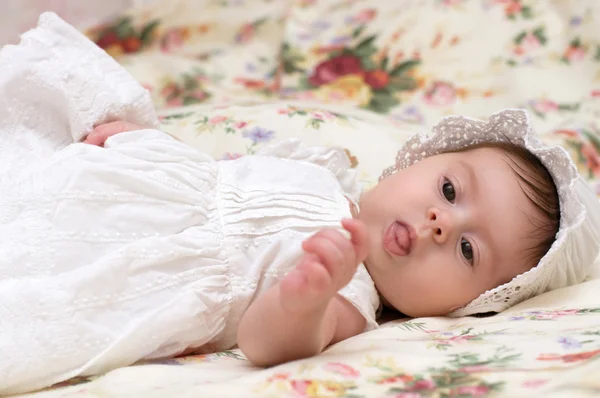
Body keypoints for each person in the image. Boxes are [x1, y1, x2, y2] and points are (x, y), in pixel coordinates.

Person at [2, 13, 600, 396]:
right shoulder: (321, 170)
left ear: (468, 305)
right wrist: (143, 146)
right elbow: (209, 177)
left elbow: (269, 343)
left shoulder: (352, 299)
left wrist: (306, 295)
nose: (442, 223)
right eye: (449, 190)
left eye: (469, 249)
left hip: (133, 270)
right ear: (419, 160)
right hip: (117, 191)